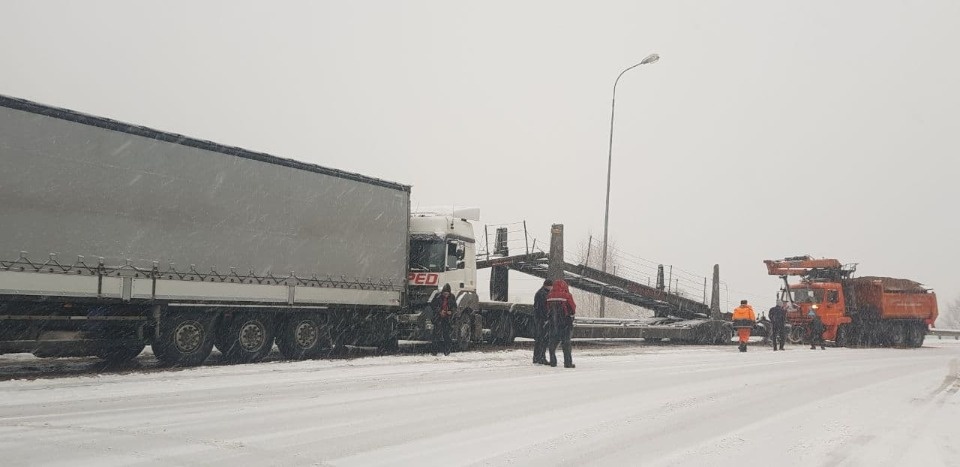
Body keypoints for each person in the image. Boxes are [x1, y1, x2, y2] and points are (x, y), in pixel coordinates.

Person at [546, 279, 576, 368]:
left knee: (552, 342)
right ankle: (567, 363)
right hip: (565, 322)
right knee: (566, 343)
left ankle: (553, 361)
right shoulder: (567, 295)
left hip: (553, 323)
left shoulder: (549, 296)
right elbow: (573, 308)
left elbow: (547, 309)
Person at [430, 283, 457, 356]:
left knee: (447, 335)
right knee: (436, 335)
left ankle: (447, 351)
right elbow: (433, 305)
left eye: (447, 293)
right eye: (444, 293)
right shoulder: (438, 296)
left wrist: (451, 312)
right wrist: (439, 311)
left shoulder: (452, 297)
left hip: (447, 319)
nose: (446, 295)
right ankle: (434, 351)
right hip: (438, 318)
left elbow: (454, 307)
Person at [532, 279, 553, 365]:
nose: (552, 288)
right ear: (547, 285)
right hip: (542, 319)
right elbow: (543, 308)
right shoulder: (543, 294)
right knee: (542, 339)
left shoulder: (541, 292)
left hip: (539, 319)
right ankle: (541, 358)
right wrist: (545, 319)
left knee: (539, 339)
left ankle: (537, 357)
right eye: (551, 286)